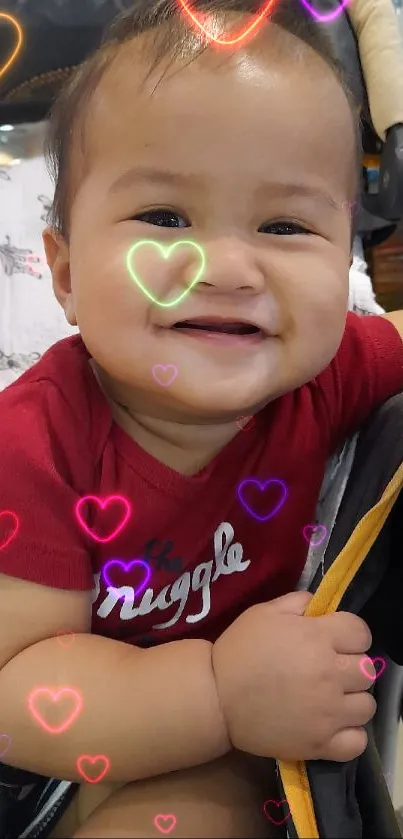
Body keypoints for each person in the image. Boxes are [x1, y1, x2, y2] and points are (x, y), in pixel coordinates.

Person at [1, 1, 403, 836]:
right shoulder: (32, 444)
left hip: (275, 722)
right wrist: (219, 693)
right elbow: (18, 689)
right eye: (164, 217)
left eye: (285, 225)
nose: (225, 266)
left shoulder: (328, 375)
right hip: (82, 755)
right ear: (66, 273)